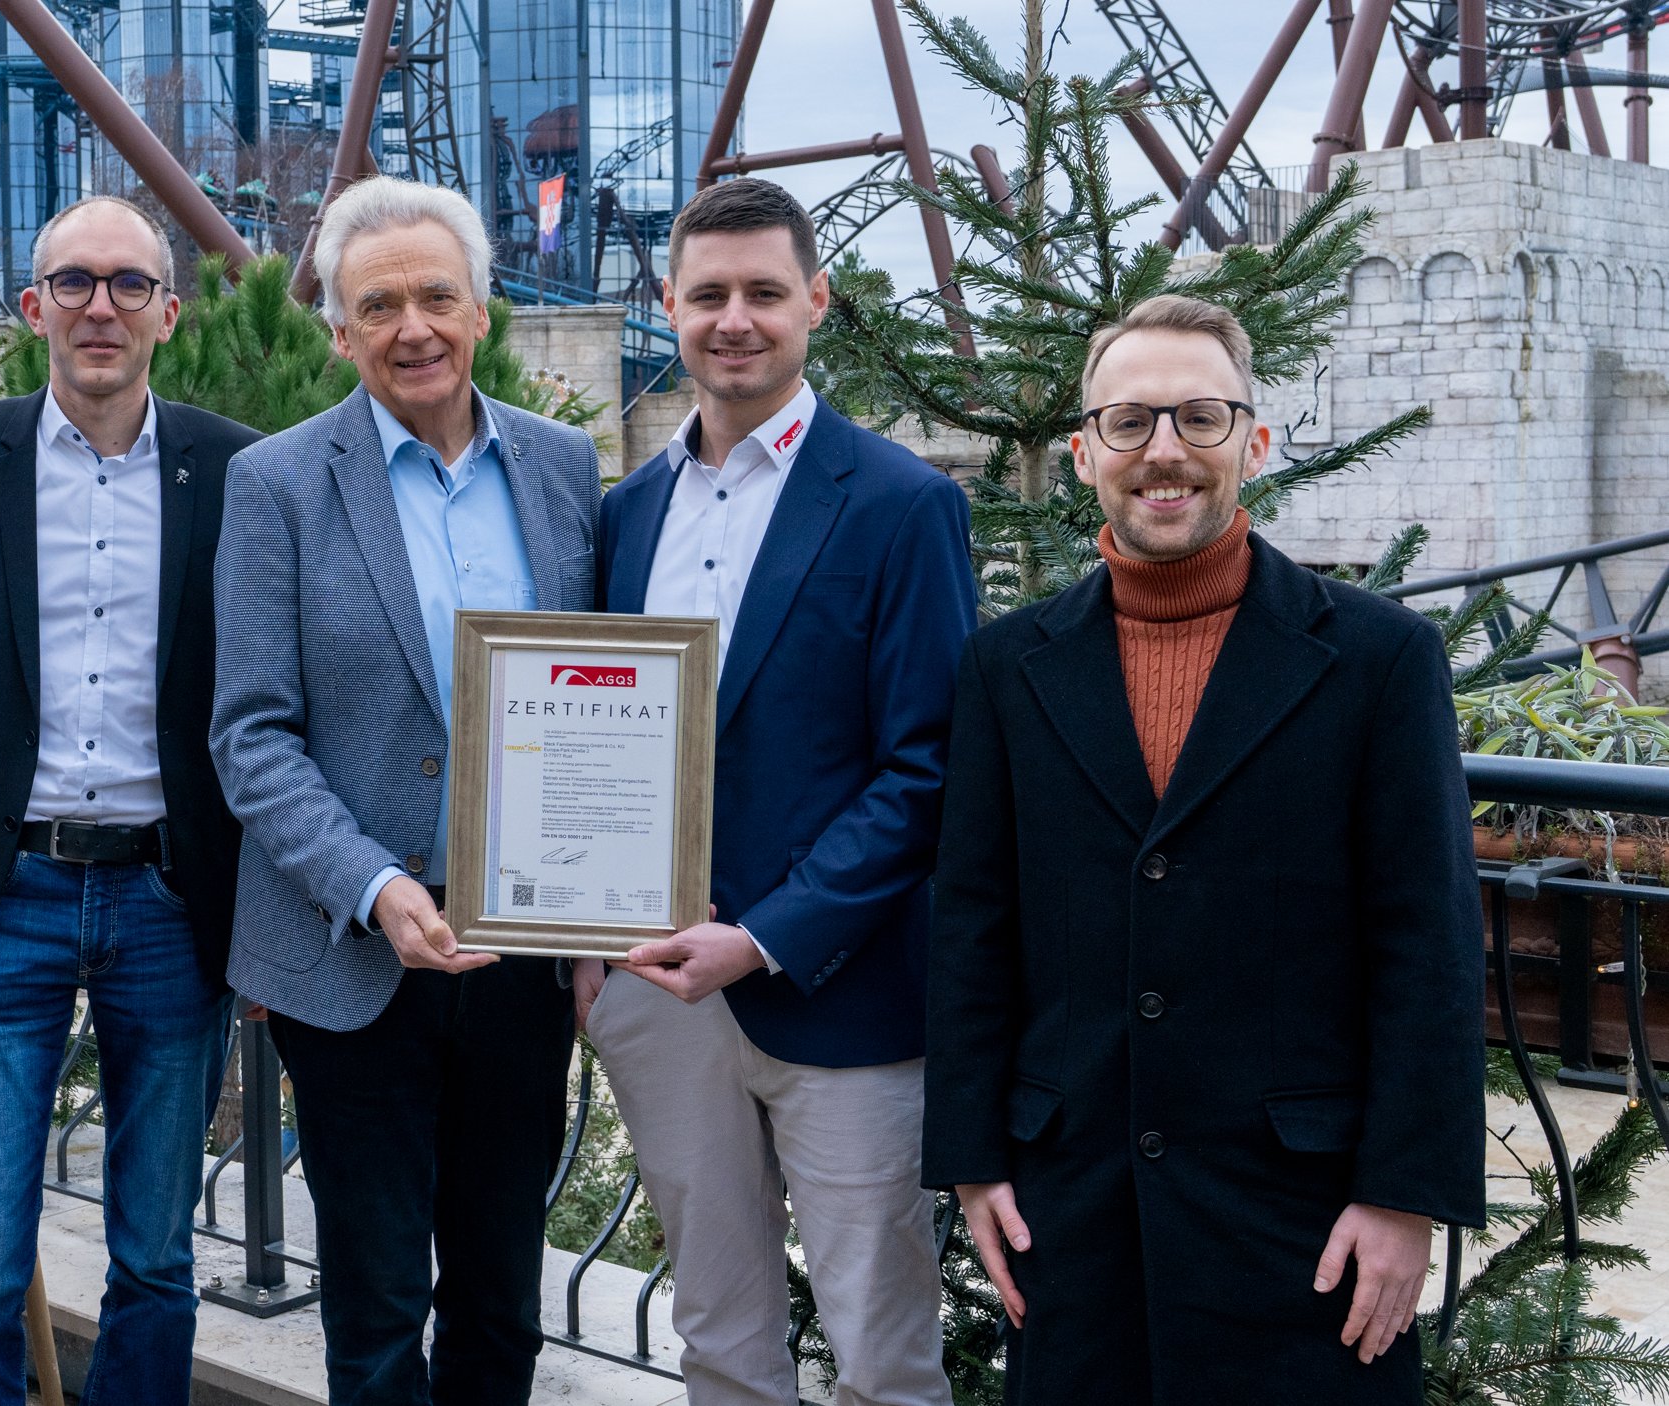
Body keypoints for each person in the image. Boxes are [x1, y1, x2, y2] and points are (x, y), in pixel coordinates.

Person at [922, 293, 1487, 1401]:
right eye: (1129, 421)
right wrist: (973, 1160)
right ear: (1086, 453)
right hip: (1072, 1207)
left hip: (1303, 1220)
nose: (1164, 450)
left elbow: (1428, 942)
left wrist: (1403, 1195)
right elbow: (973, 923)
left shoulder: (1379, 660)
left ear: (1254, 442)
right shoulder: (1005, 668)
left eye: (1199, 416)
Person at [583, 176, 975, 1406]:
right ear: (668, 305)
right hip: (657, 992)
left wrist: (762, 936)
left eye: (764, 291)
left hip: (843, 994)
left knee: (882, 1350)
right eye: (708, 294)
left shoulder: (904, 504)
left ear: (817, 300)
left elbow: (928, 763)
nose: (734, 318)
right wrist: (582, 944)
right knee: (718, 1336)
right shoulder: (624, 514)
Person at [210, 174, 600, 1406]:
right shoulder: (276, 482)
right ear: (338, 331)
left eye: (437, 296)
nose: (412, 326)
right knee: (374, 1305)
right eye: (377, 305)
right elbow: (251, 733)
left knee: (499, 1293)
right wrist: (373, 884)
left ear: (482, 311)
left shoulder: (563, 465)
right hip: (353, 954)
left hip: (520, 951)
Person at [0, 194, 259, 1405]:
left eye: (129, 284)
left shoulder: (237, 469)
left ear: (168, 314)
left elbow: (268, 707)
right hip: (2, 900)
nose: (101, 306)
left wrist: (261, 918)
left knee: (157, 1252)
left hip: (171, 898)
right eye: (75, 282)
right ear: (34, 306)